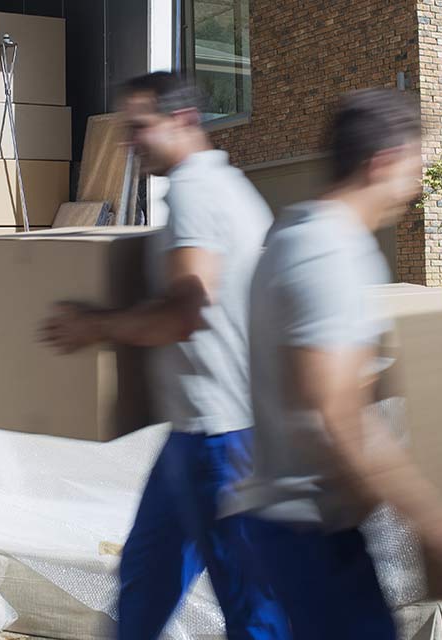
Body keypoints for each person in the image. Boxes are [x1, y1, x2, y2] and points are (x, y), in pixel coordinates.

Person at [226, 89, 442, 638]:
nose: (419, 185)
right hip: (309, 534)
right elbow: (338, 415)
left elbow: (316, 385)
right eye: (416, 166)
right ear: (384, 162)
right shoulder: (330, 251)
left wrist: (412, 368)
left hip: (302, 528)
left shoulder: (293, 234)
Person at [39, 72, 285, 640]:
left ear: (185, 121)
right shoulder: (229, 186)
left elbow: (185, 310)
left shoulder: (200, 191)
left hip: (224, 438)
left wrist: (92, 326)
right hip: (197, 433)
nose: (131, 141)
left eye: (141, 127)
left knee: (253, 611)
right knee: (146, 579)